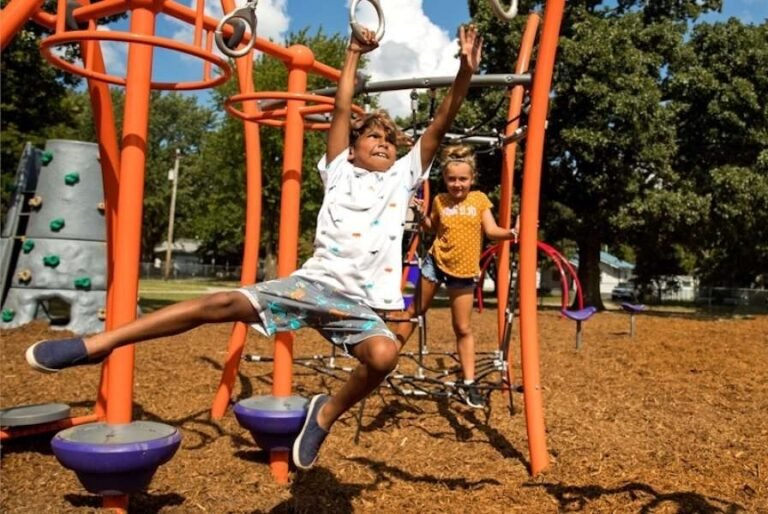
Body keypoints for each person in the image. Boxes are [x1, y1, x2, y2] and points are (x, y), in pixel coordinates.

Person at [25, 24, 484, 470]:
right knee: (222, 302)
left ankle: (324, 414)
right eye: (372, 137)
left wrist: (463, 72)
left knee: (384, 356)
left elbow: (440, 123)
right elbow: (342, 108)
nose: (382, 143)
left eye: (388, 139)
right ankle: (100, 343)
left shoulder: (404, 178)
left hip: (359, 304)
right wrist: (351, 53)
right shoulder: (340, 171)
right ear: (352, 149)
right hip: (312, 285)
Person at [394, 144, 518, 408]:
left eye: (463, 179)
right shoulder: (440, 200)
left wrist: (511, 233)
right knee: (414, 312)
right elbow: (431, 228)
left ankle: (469, 383)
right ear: (445, 179)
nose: (457, 184)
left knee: (462, 327)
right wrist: (419, 214)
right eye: (452, 179)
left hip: (463, 270)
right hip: (435, 262)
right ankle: (385, 359)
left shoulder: (479, 200)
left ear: (472, 179)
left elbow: (492, 231)